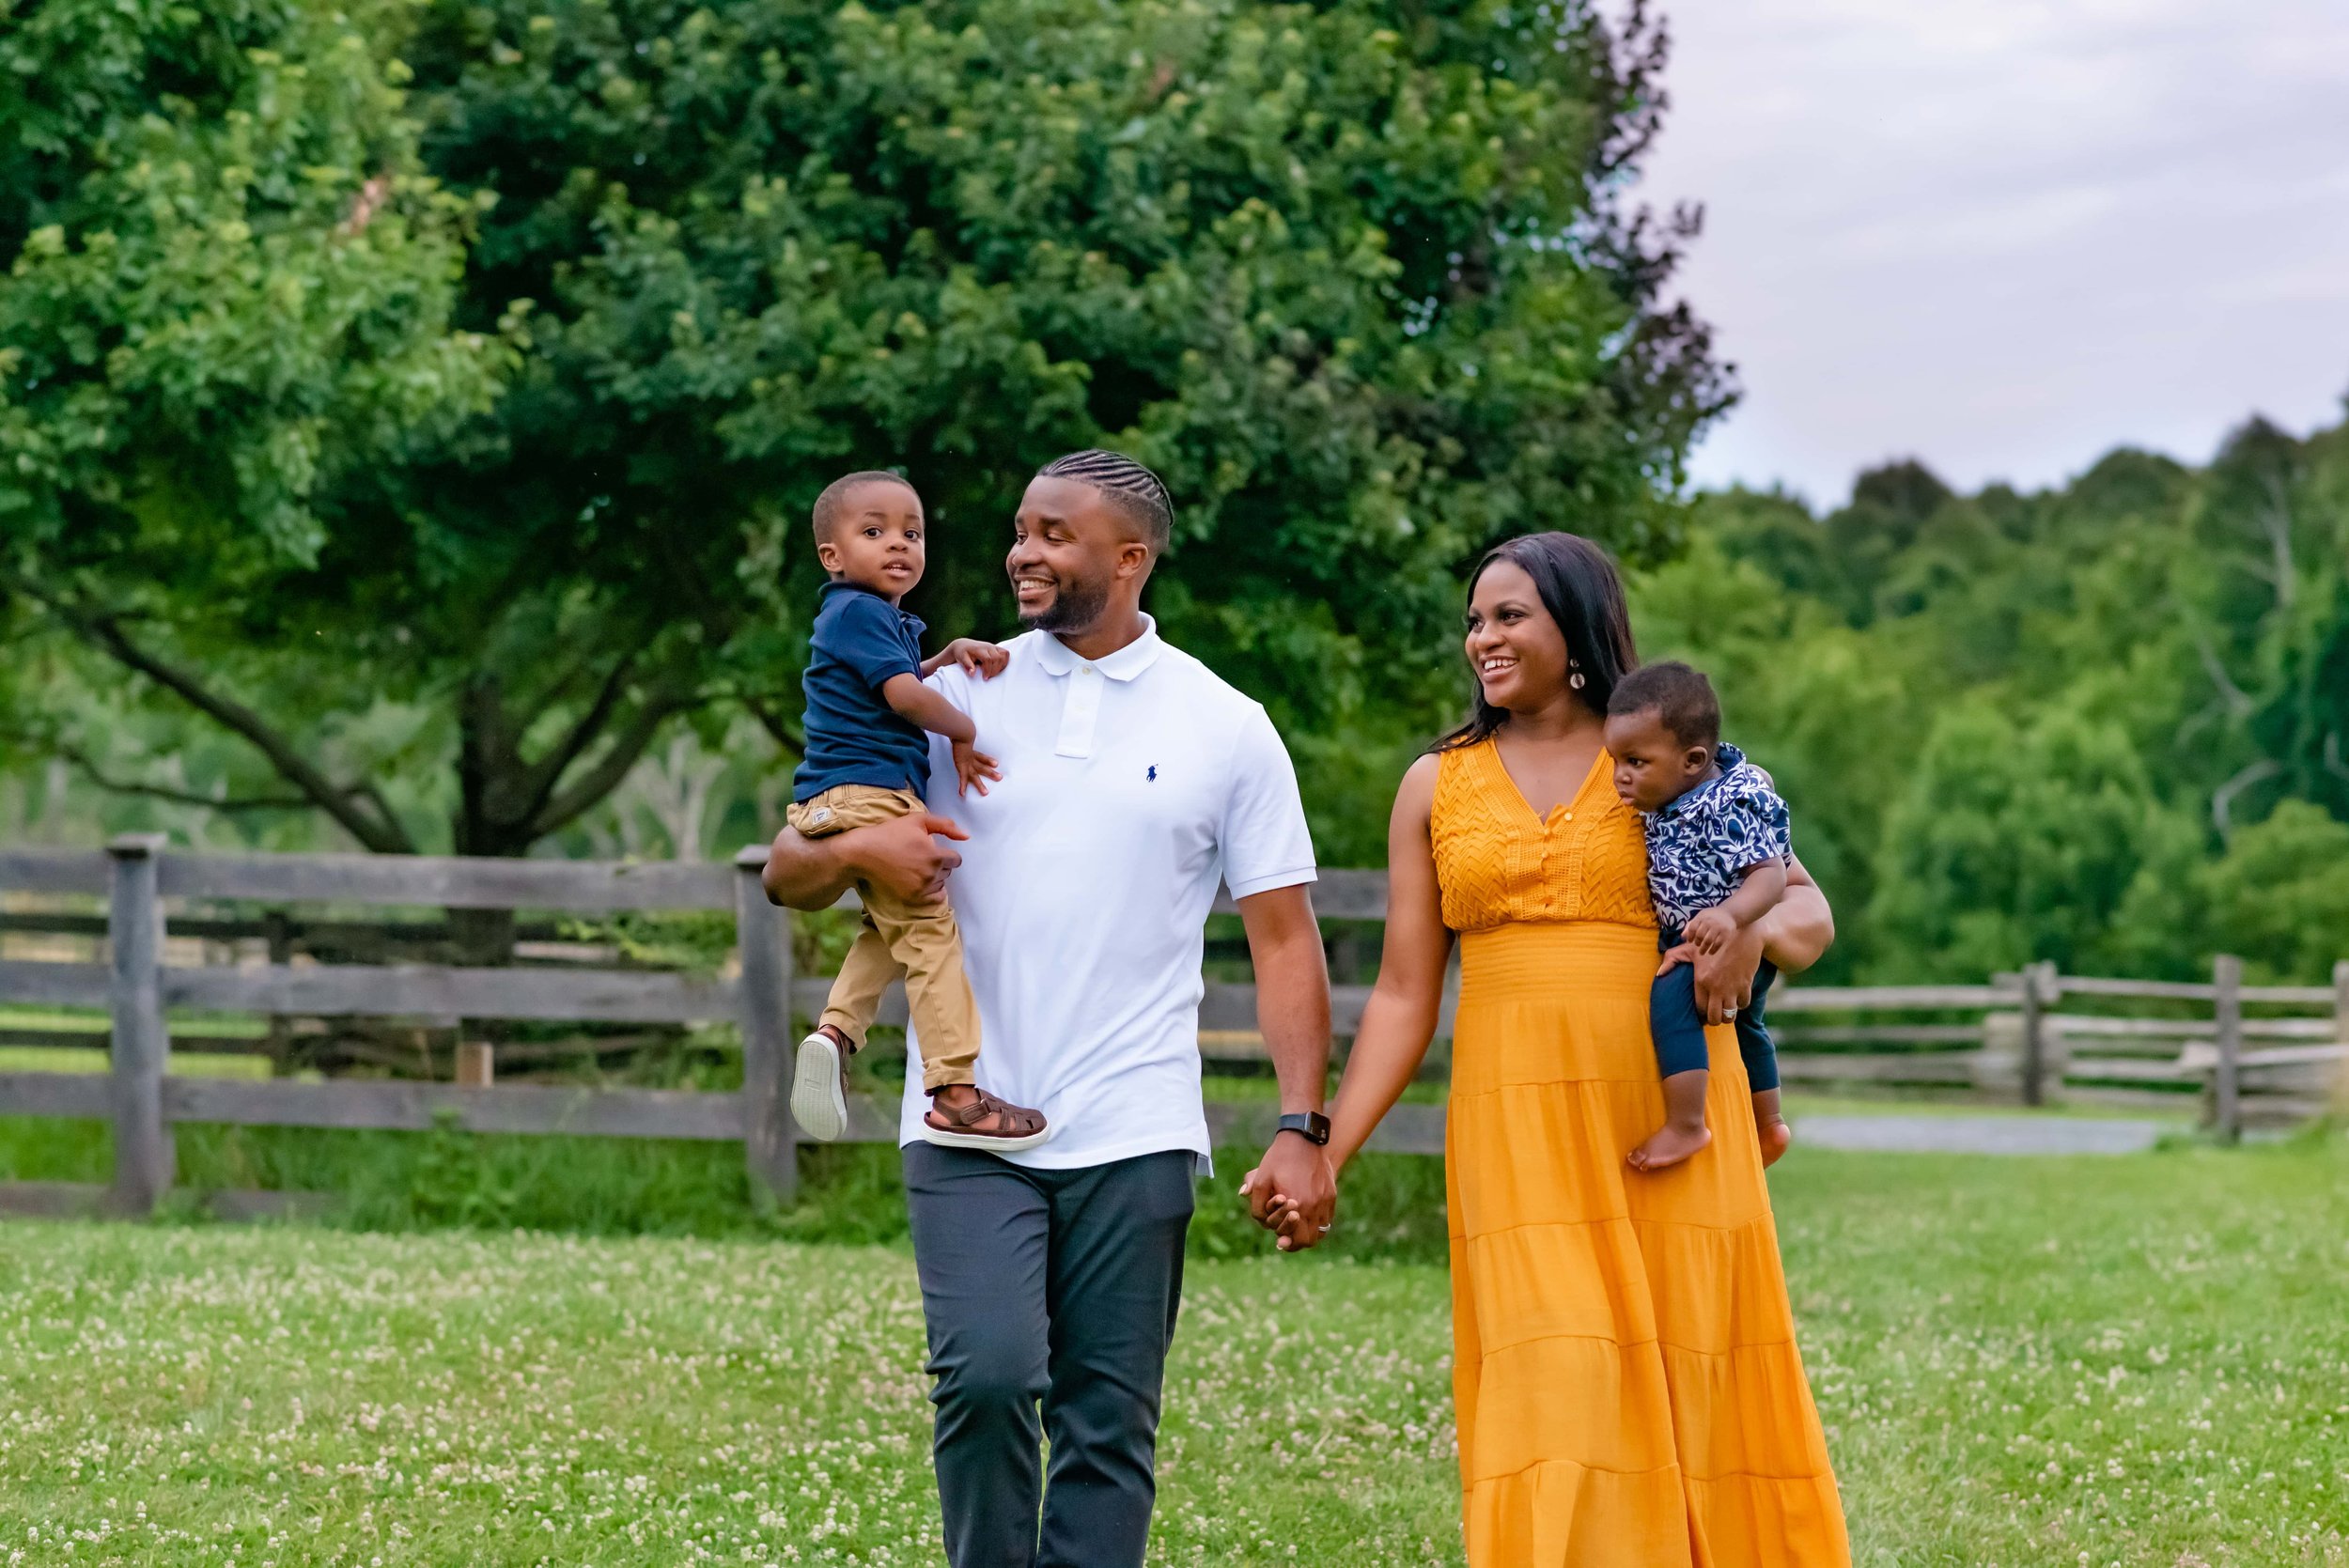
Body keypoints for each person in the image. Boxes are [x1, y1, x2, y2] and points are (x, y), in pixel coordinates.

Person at [760, 450, 1338, 1568]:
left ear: (1129, 559)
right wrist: (869, 844)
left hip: (1136, 1125)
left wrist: (1300, 1121)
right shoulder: (951, 687)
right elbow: (793, 862)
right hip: (966, 1121)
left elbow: (1283, 937)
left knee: (1106, 1424)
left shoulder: (1226, 723)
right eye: (1020, 529)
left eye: (1053, 535)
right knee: (983, 1379)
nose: (1020, 551)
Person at [1252, 532, 1850, 1564]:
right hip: (1517, 1124)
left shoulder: (1661, 758)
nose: (1482, 636)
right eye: (1475, 619)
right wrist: (1325, 1148)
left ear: (1574, 629)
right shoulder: (1434, 784)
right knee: (1556, 1383)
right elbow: (1402, 994)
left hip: (1665, 1113)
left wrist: (1743, 932)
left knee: (1698, 1383)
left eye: (1508, 614)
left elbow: (1809, 916)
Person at [783, 470, 1050, 1151]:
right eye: (873, 532)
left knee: (889, 925)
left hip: (841, 795)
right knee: (932, 934)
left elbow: (892, 679)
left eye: (912, 532)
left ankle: (837, 1031)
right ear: (832, 555)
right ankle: (956, 1094)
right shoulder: (860, 611)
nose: (898, 544)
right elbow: (901, 698)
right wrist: (963, 728)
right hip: (871, 794)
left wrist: (943, 657)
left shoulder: (869, 620)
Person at [1603, 660, 1797, 1172]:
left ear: (1692, 760)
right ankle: (1769, 1123)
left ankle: (1686, 1125)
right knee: (1748, 1025)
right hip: (1694, 933)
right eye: (1615, 760)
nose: (1620, 775)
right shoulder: (1669, 797)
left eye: (1635, 762)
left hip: (1723, 935)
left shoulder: (1728, 802)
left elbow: (1771, 876)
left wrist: (1731, 920)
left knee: (1671, 1001)